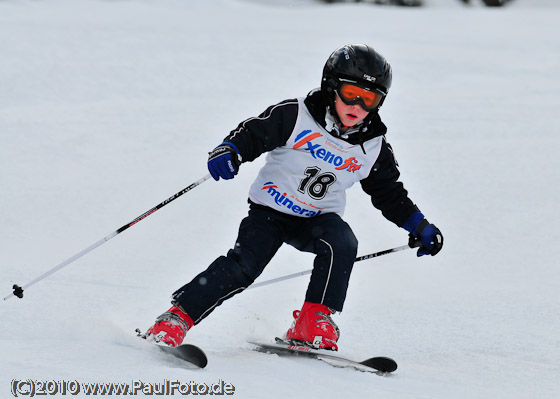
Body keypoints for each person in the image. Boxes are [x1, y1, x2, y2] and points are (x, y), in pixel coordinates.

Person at [142, 44, 444, 351]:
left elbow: (389, 193)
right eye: (351, 93)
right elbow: (253, 133)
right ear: (331, 87)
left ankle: (312, 320)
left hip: (316, 221)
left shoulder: (373, 146)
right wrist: (229, 150)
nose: (357, 105)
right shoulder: (296, 115)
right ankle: (176, 318)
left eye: (369, 99)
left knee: (342, 242)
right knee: (243, 267)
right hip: (269, 212)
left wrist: (418, 225)